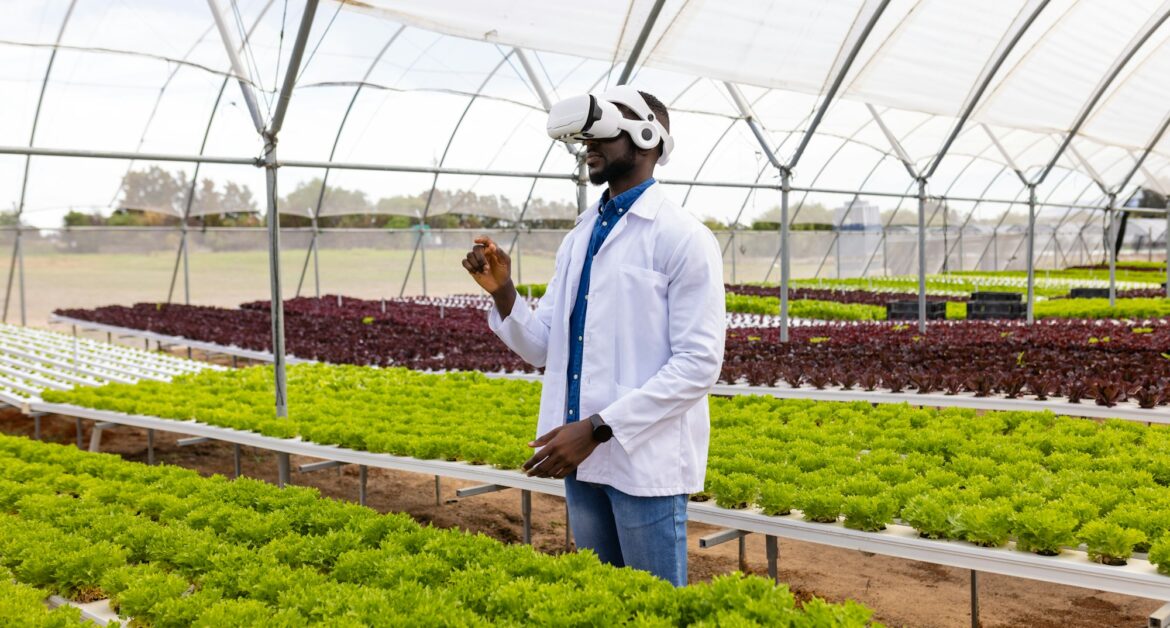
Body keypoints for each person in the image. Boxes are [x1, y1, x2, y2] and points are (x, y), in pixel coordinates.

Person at [461, 87, 725, 587]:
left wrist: (599, 428)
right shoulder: (580, 235)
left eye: (605, 129)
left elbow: (698, 365)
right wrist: (504, 293)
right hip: (579, 458)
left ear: (648, 138)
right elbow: (544, 347)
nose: (588, 144)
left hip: (641, 462)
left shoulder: (683, 236)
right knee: (601, 600)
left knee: (653, 609)